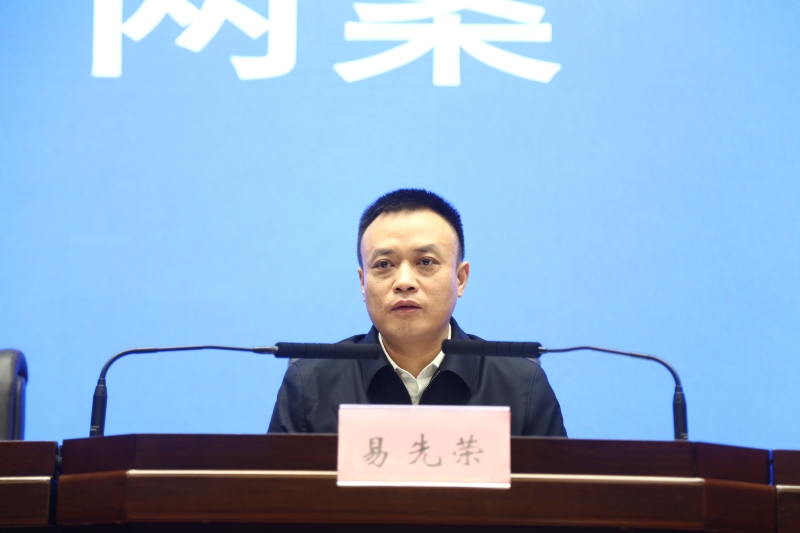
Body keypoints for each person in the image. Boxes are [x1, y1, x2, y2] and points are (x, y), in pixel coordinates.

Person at [268, 189, 566, 436]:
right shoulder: (310, 384)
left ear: (460, 278)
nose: (404, 282)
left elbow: (554, 490)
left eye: (425, 262)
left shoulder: (522, 386)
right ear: (363, 283)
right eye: (384, 265)